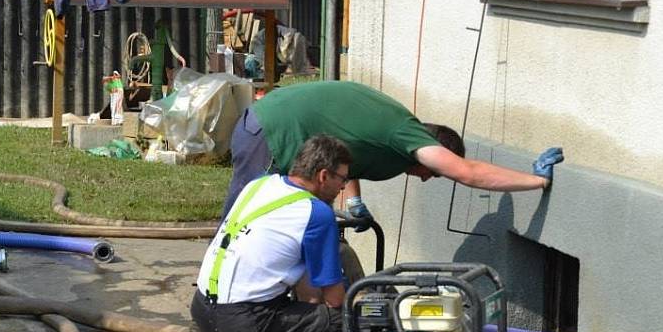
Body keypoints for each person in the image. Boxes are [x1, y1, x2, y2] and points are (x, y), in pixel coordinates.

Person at [224, 80, 564, 228]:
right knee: (242, 225)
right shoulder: (406, 133)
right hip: (271, 132)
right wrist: (535, 179)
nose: (430, 178)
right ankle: (212, 326)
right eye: (435, 171)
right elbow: (468, 172)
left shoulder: (391, 136)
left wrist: (353, 201)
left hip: (267, 126)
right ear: (432, 150)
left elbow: (347, 145)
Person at [187, 135, 352, 332]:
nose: (343, 187)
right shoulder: (317, 213)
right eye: (342, 179)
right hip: (243, 324)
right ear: (323, 176)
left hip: (201, 312)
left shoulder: (260, 184)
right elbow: (335, 299)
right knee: (349, 322)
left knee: (306, 316)